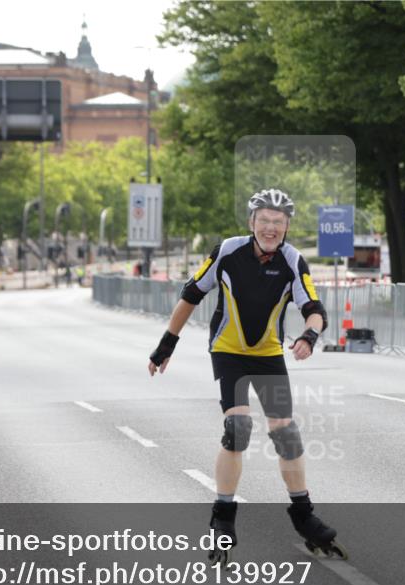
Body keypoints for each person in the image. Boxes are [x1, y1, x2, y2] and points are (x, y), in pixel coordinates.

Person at [147, 188, 346, 565]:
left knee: (285, 431)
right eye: (264, 220)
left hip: (268, 354)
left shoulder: (292, 260)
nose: (271, 228)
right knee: (237, 428)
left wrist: (309, 334)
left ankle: (304, 516)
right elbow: (191, 295)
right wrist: (166, 344)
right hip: (228, 351)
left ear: (287, 226)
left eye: (278, 222)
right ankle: (223, 518)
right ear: (252, 222)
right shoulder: (227, 251)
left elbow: (314, 308)